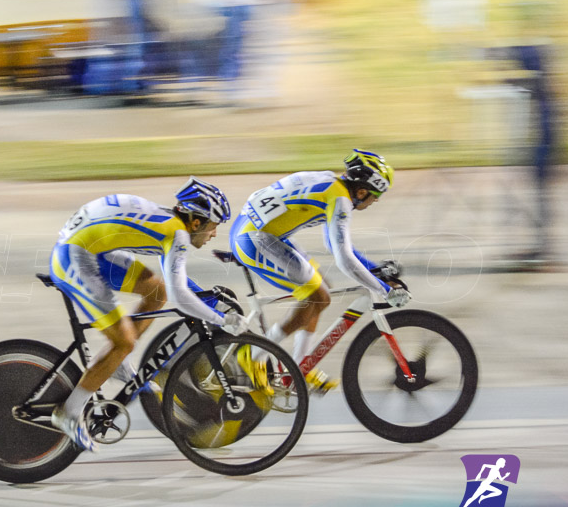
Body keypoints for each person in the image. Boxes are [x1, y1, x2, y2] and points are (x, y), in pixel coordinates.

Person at [48, 177, 245, 451]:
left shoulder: (170, 224)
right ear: (197, 222)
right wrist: (222, 320)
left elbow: (176, 283)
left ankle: (114, 361)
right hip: (75, 257)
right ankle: (68, 412)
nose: (214, 234)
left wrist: (205, 297)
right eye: (214, 226)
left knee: (156, 293)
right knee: (124, 341)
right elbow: (182, 298)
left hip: (89, 249)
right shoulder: (176, 233)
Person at [229, 150, 410, 393]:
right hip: (254, 239)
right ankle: (253, 355)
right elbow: (344, 258)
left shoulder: (331, 185)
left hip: (258, 231)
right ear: (363, 190)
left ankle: (300, 365)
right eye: (376, 195)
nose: (376, 201)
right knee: (318, 296)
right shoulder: (340, 199)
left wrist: (373, 268)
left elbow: (333, 244)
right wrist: (385, 290)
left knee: (321, 287)